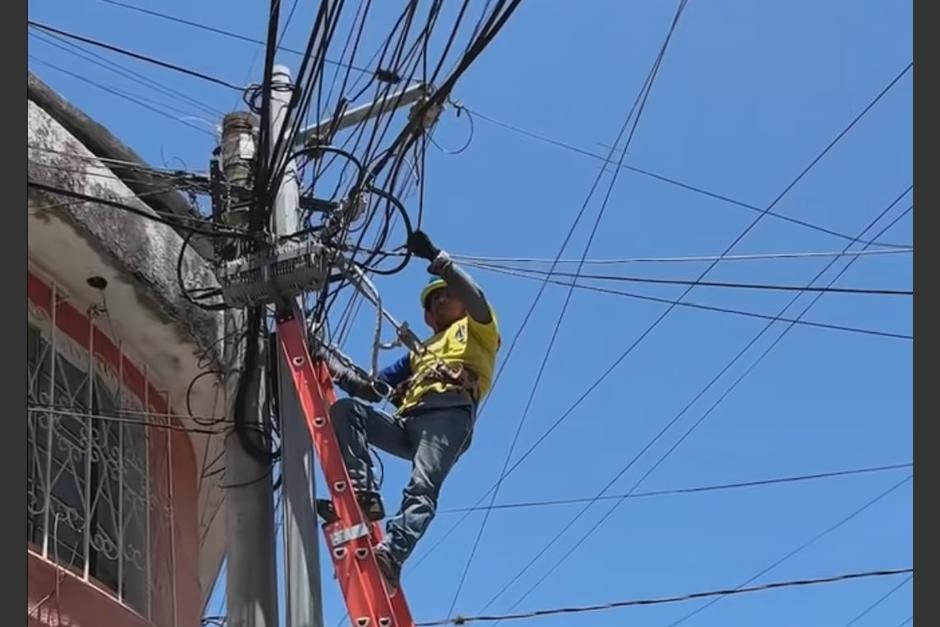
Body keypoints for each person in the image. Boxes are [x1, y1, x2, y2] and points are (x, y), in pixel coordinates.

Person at [314, 229, 500, 590]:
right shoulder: (420, 351)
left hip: (448, 416)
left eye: (448, 295)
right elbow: (370, 388)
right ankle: (362, 488)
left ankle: (394, 551)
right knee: (348, 412)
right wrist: (327, 362)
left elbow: (475, 298)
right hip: (409, 422)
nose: (443, 300)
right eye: (434, 300)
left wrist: (436, 258)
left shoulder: (478, 330)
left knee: (422, 487)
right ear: (428, 317)